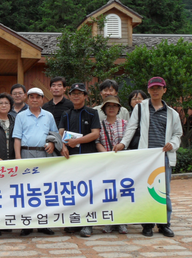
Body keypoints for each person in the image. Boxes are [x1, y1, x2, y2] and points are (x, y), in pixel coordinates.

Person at [114, 77, 182, 238]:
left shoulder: (172, 113)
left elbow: (178, 134)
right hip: (146, 157)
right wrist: (123, 144)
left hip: (163, 157)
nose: (155, 91)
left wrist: (172, 144)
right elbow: (131, 128)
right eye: (152, 88)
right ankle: (147, 225)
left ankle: (164, 224)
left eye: (159, 88)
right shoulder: (140, 108)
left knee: (163, 192)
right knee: (146, 191)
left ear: (164, 90)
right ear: (149, 90)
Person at [13, 88, 58, 236]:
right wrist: (18, 158)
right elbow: (17, 138)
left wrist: (52, 143)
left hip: (45, 154)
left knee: (44, 189)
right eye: (31, 97)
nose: (34, 99)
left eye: (37, 97)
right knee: (28, 189)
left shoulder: (48, 115)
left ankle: (43, 223)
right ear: (27, 99)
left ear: (42, 99)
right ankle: (27, 224)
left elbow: (54, 134)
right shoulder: (21, 116)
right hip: (26, 153)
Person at [58, 83, 100, 237]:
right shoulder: (66, 114)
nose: (76, 96)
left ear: (85, 96)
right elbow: (60, 133)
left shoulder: (92, 113)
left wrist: (77, 141)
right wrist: (63, 145)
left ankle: (88, 224)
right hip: (70, 159)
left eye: (79, 93)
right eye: (73, 93)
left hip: (88, 158)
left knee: (88, 192)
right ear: (69, 96)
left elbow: (96, 134)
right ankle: (75, 222)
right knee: (72, 191)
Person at [95, 96, 128, 234]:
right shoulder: (100, 125)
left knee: (121, 192)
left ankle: (121, 222)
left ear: (119, 108)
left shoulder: (125, 124)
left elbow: (128, 140)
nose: (111, 108)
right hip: (106, 162)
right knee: (107, 192)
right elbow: (97, 141)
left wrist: (119, 150)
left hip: (122, 163)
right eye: (108, 106)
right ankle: (108, 221)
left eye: (114, 106)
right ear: (104, 109)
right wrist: (107, 154)